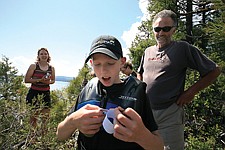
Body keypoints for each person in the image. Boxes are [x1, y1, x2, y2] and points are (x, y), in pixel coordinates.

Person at [56, 35, 164, 150]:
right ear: (91, 63)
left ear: (122, 62)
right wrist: (72, 122)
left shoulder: (137, 92)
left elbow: (159, 146)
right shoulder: (88, 89)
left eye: (110, 63)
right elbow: (60, 135)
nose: (103, 70)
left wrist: (140, 136)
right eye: (97, 64)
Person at [137, 9, 221, 149]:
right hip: (146, 112)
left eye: (166, 28)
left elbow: (214, 70)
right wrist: (140, 90)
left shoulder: (182, 48)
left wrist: (190, 92)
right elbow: (140, 72)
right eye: (157, 29)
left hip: (170, 113)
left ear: (174, 30)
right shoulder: (147, 51)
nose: (161, 32)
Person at [25, 47, 55, 136]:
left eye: (45, 53)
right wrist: (39, 80)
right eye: (41, 54)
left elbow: (53, 80)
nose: (44, 55)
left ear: (48, 55)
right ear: (38, 56)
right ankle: (32, 138)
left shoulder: (51, 68)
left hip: (46, 94)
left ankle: (43, 139)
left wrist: (47, 82)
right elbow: (26, 79)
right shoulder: (34, 66)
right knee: (33, 118)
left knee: (45, 118)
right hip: (34, 93)